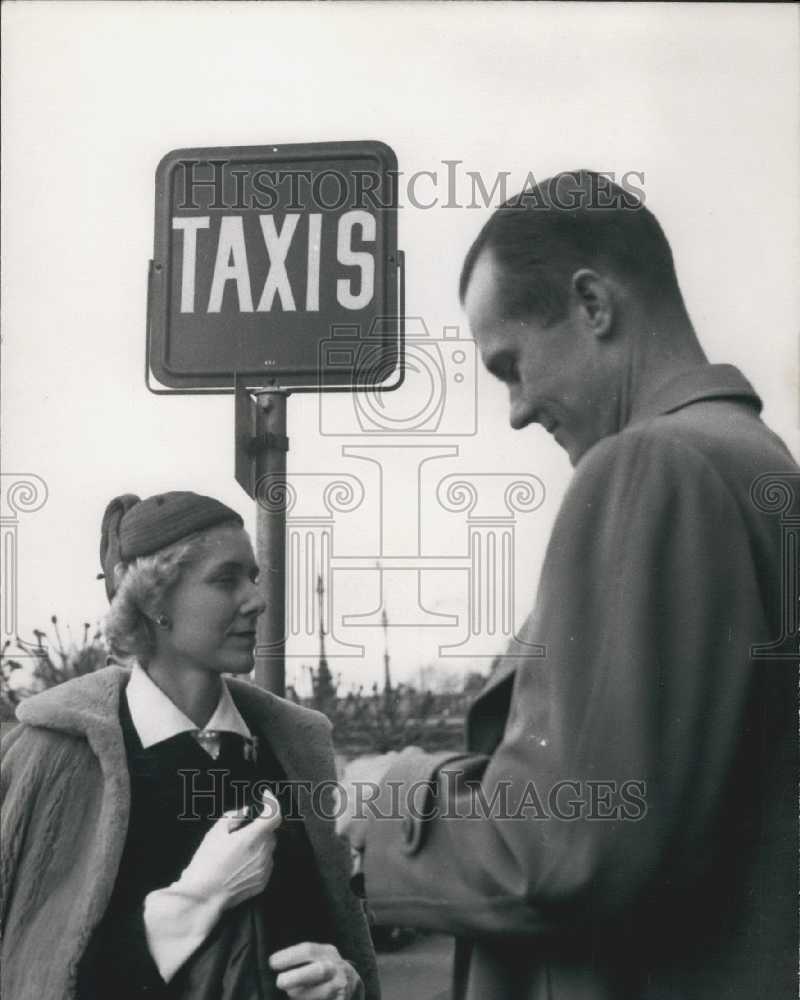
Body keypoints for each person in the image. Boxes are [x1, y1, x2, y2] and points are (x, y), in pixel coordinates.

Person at [340, 171, 798, 998]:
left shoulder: (654, 464)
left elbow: (569, 845)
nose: (516, 410)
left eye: (511, 365)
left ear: (593, 304)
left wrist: (389, 794)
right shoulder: (757, 466)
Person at [1, 490, 379, 1000]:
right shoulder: (60, 753)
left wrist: (346, 980)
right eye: (226, 579)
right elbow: (33, 971)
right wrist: (199, 898)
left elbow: (330, 933)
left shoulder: (292, 748)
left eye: (253, 576)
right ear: (156, 602)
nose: (256, 599)